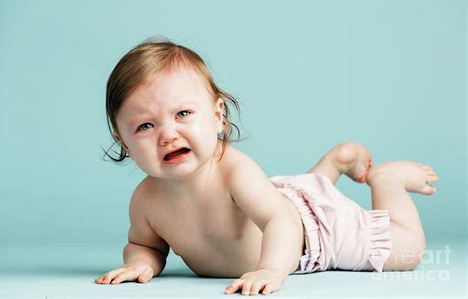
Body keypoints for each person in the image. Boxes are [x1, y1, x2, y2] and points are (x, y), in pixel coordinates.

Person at [95, 38, 439, 295]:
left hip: (314, 234)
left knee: (406, 251)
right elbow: (147, 245)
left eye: (183, 114)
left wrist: (271, 269)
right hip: (284, 202)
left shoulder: (232, 170)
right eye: (145, 126)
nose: (168, 134)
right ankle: (331, 165)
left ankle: (388, 181)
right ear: (125, 142)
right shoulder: (145, 201)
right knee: (294, 195)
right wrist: (140, 263)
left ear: (217, 116)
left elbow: (281, 220)